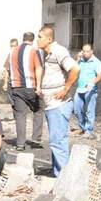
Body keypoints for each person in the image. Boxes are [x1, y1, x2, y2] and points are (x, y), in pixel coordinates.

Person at [37, 23, 79, 175]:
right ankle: (57, 173)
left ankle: (63, 177)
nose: (38, 40)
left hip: (58, 104)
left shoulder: (58, 51)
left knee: (58, 141)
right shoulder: (46, 53)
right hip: (50, 104)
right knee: (55, 141)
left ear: (49, 39)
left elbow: (75, 69)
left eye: (40, 37)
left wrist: (66, 88)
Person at [5, 31, 43, 151]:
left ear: (23, 39)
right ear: (32, 39)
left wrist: (6, 83)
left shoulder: (12, 51)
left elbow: (6, 68)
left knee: (20, 115)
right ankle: (36, 138)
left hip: (16, 87)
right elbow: (38, 67)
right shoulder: (34, 50)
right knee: (39, 108)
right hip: (30, 85)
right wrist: (39, 86)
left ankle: (20, 144)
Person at [73, 43, 101, 137]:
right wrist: (77, 58)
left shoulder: (96, 62)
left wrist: (92, 83)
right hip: (79, 89)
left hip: (90, 90)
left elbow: (99, 76)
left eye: (87, 51)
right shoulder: (81, 60)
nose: (85, 53)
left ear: (91, 51)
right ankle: (83, 127)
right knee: (77, 109)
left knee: (89, 111)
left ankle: (89, 131)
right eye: (84, 51)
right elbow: (73, 68)